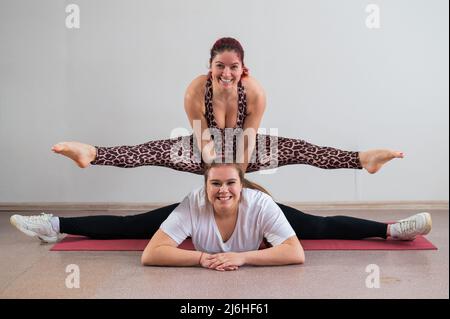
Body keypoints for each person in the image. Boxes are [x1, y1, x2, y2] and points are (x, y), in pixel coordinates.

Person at [50, 37, 404, 175]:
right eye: (220, 66)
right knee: (154, 150)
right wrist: (217, 170)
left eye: (233, 67)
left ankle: (363, 159)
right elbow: (202, 138)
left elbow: (249, 138)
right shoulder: (194, 90)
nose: (226, 73)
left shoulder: (256, 92)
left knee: (301, 149)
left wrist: (235, 170)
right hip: (204, 149)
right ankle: (91, 153)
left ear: (242, 67)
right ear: (211, 66)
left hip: (245, 150)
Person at [10, 163, 432, 271]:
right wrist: (201, 258)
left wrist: (243, 258)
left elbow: (296, 253)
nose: (224, 190)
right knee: (130, 225)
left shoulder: (256, 200)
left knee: (316, 224)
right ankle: (53, 225)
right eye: (216, 184)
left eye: (231, 183)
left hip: (258, 207)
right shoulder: (197, 198)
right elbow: (151, 254)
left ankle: (392, 230)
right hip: (201, 207)